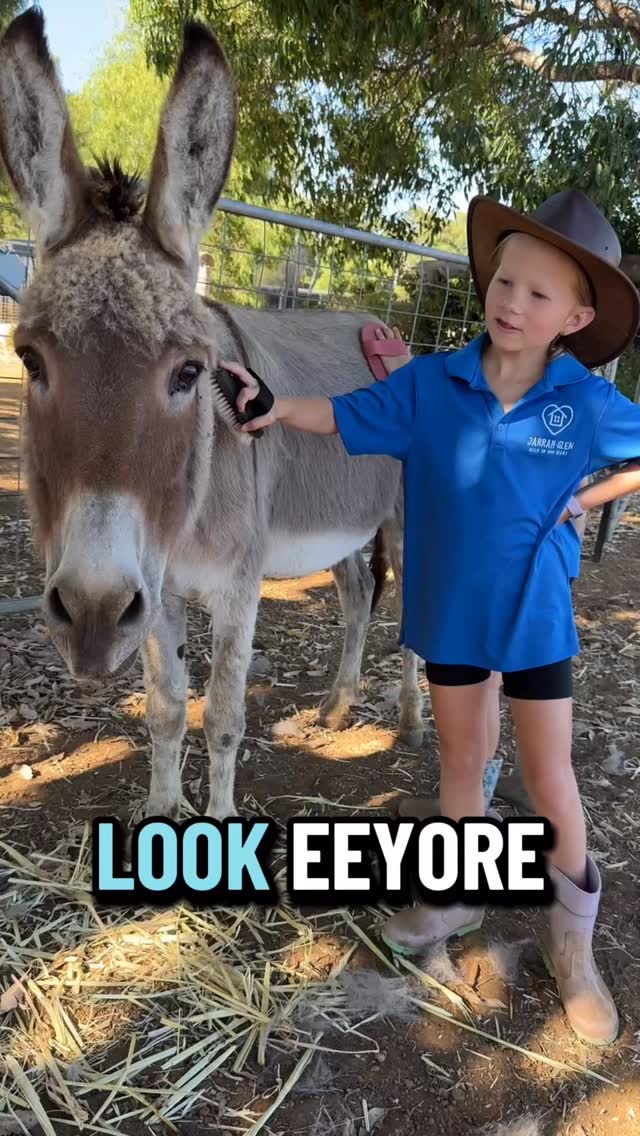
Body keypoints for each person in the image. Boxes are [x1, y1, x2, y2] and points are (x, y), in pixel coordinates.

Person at [223, 190, 640, 1046]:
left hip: (533, 622)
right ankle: (454, 896)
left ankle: (572, 941)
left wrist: (589, 497)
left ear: (576, 317)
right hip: (450, 616)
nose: (510, 302)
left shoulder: (586, 406)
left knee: (549, 776)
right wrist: (271, 403)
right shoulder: (431, 382)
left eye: (536, 294)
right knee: (462, 766)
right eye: (505, 281)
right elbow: (339, 415)